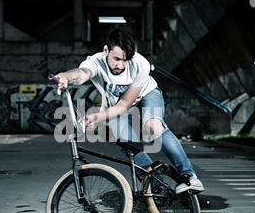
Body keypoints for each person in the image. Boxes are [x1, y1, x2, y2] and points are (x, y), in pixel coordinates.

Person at [54, 29, 203, 194]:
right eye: (116, 59)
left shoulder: (141, 64)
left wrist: (97, 117)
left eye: (126, 60)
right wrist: (66, 77)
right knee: (126, 141)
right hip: (117, 105)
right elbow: (82, 74)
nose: (120, 65)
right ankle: (153, 182)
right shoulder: (95, 63)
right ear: (106, 51)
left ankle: (189, 176)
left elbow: (124, 105)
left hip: (147, 94)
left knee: (153, 126)